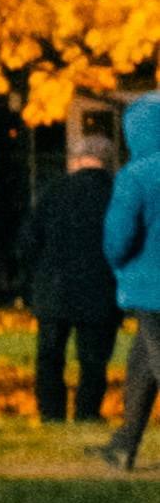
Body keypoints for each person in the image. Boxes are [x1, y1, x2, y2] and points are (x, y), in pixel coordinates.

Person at [22, 129, 118, 431]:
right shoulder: (115, 193)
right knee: (93, 360)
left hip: (54, 287)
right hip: (100, 288)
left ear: (76, 160)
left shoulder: (53, 191)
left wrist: (31, 276)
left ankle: (51, 413)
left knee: (50, 356)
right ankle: (87, 413)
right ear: (109, 161)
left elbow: (27, 242)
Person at [100, 91, 160, 471]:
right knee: (141, 361)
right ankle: (125, 442)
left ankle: (124, 446)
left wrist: (118, 263)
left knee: (154, 355)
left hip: (149, 286)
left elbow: (117, 238)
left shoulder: (135, 176)